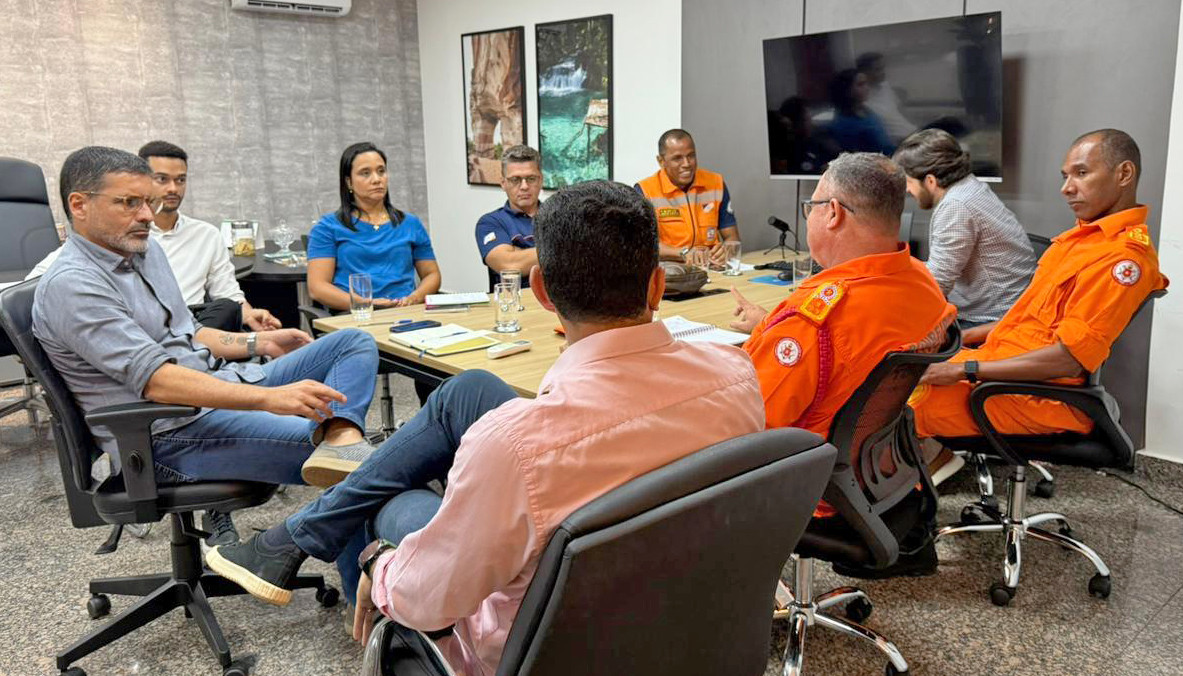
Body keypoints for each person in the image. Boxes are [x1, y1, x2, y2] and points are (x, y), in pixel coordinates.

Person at [204, 180, 766, 674]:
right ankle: (299, 534)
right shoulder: (739, 375)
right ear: (657, 286)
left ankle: (325, 561)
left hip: (541, 647)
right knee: (469, 389)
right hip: (685, 615)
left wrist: (379, 562)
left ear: (540, 291)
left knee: (390, 493)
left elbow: (427, 600)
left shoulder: (516, 445)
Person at [32, 146, 381, 549]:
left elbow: (190, 332)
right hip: (169, 431)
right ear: (79, 205)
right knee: (365, 468)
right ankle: (295, 546)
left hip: (215, 386)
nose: (147, 215)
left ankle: (341, 433)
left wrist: (259, 341)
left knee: (352, 342)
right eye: (129, 203)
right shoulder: (73, 284)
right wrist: (268, 399)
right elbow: (157, 382)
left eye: (148, 202)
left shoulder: (142, 250)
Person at [730, 152, 955, 576]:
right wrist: (771, 327)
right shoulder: (920, 281)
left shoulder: (816, 322)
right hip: (879, 473)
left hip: (808, 485)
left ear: (832, 213)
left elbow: (747, 425)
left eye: (811, 206)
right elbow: (854, 351)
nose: (810, 215)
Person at [912, 129, 1168, 439]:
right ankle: (931, 460)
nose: (1066, 188)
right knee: (894, 374)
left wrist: (963, 369)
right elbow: (1026, 320)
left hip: (1035, 394)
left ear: (1124, 174)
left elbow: (1067, 360)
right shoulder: (1078, 240)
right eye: (1065, 176)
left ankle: (922, 460)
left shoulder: (1122, 260)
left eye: (1081, 173)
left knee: (893, 405)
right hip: (998, 366)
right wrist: (960, 338)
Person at [26, 141, 281, 334]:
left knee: (226, 310)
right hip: (139, 329)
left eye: (180, 180)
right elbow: (36, 289)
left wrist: (249, 316)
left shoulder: (206, 234)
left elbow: (227, 292)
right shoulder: (113, 243)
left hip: (192, 323)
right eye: (162, 179)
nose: (172, 188)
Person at [893, 129, 1037, 327]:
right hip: (1007, 305)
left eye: (909, 182)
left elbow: (937, 284)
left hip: (990, 317)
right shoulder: (970, 186)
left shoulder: (956, 206)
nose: (907, 190)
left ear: (930, 181)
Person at [307, 142, 441, 310]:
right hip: (356, 314)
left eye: (381, 171)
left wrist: (414, 298)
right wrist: (367, 303)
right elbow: (317, 288)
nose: (377, 179)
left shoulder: (410, 223)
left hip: (405, 311)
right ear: (349, 182)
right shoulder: (327, 227)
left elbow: (431, 274)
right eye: (365, 173)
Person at [636, 129, 740, 266]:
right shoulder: (645, 191)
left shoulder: (716, 183)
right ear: (661, 161)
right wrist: (683, 253)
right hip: (669, 270)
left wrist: (726, 250)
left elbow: (732, 237)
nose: (686, 164)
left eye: (691, 156)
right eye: (677, 158)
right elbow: (644, 245)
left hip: (712, 268)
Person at [474, 145, 541, 291]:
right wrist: (561, 250)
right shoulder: (490, 222)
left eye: (531, 178)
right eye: (515, 180)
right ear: (503, 183)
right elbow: (509, 266)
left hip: (558, 301)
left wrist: (519, 252)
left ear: (541, 180)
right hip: (515, 302)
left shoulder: (560, 216)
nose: (524, 186)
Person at [827, 69, 894, 156]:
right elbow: (854, 155)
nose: (867, 88)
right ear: (847, 90)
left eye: (866, 83)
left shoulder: (866, 110)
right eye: (860, 84)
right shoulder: (844, 123)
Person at [856, 53, 916, 143]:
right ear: (864, 73)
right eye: (877, 69)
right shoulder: (862, 101)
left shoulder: (885, 87)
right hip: (900, 141)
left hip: (912, 133)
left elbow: (901, 114)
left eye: (883, 68)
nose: (883, 72)